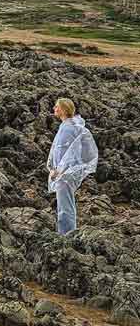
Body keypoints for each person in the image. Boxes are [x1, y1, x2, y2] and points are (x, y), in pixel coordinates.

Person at [46, 97, 98, 235]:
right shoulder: (70, 126)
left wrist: (59, 171)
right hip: (66, 174)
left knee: (65, 205)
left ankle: (67, 234)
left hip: (65, 175)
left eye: (56, 106)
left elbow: (68, 153)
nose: (54, 109)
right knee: (66, 203)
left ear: (63, 110)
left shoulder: (68, 129)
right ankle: (68, 233)